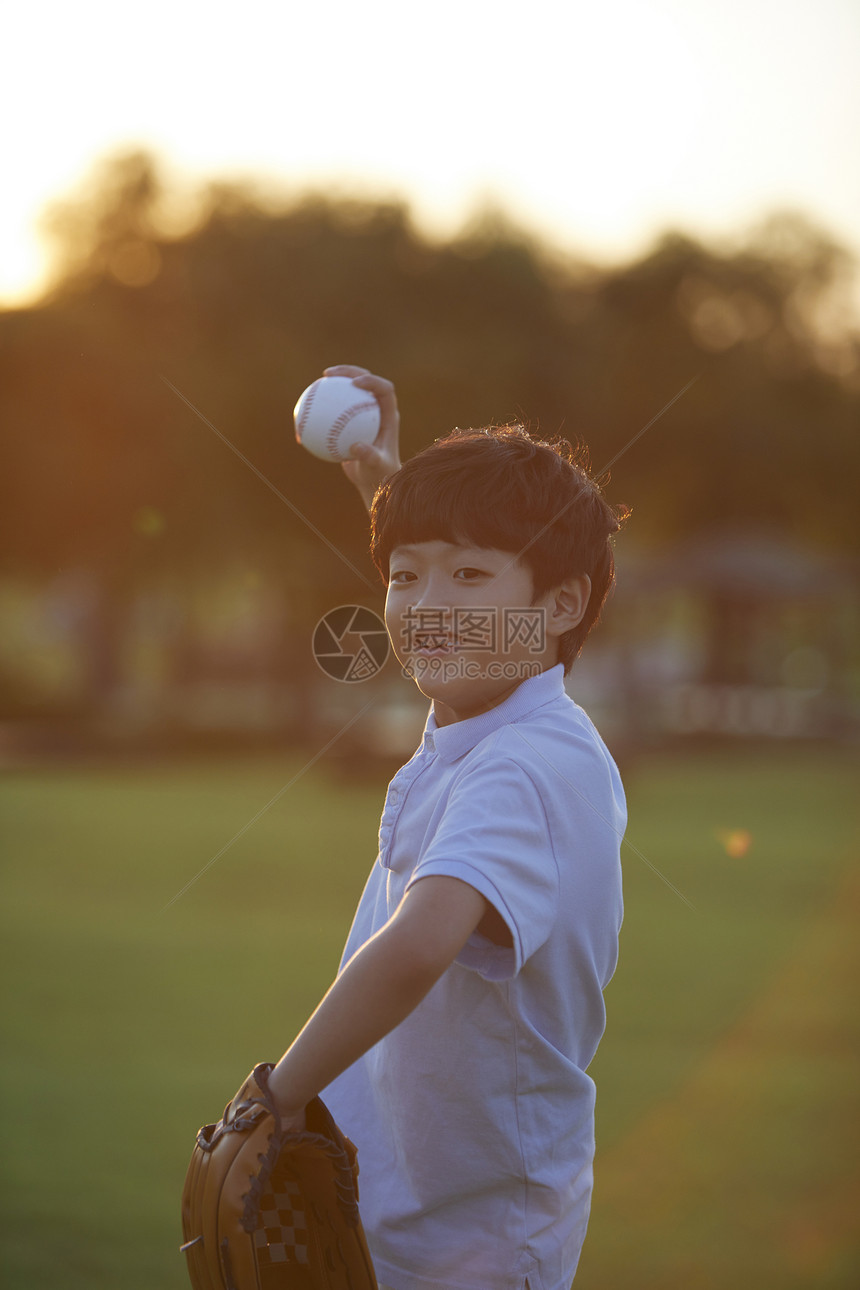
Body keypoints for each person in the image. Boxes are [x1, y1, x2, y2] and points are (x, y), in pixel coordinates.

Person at [268, 365, 629, 1290]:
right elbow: (444, 585)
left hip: (472, 1237)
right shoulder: (491, 734)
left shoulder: (524, 764)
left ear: (562, 606)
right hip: (414, 1206)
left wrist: (274, 1096)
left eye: (469, 574)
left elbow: (419, 944)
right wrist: (390, 485)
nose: (425, 603)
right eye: (403, 574)